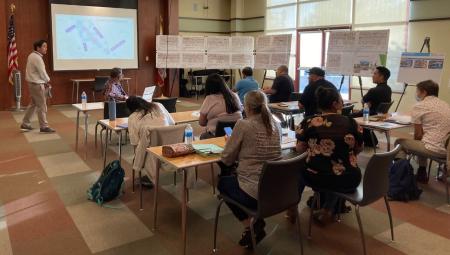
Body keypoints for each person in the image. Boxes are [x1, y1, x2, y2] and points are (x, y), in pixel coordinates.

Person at [218, 90, 282, 249]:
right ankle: (254, 225)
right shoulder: (275, 123)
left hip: (253, 189)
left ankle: (251, 225)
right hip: (277, 189)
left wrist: (233, 143)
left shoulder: (243, 124)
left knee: (223, 184)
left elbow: (226, 158)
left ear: (246, 106)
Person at [295, 87, 363, 225]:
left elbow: (300, 149)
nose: (342, 102)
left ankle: (292, 205)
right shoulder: (351, 123)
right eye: (340, 100)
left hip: (317, 177)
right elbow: (359, 148)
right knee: (337, 168)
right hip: (349, 178)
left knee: (299, 169)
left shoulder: (308, 122)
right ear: (335, 104)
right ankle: (328, 209)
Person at [395, 80, 450, 183]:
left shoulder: (420, 106)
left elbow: (418, 135)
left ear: (424, 92)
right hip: (447, 150)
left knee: (400, 143)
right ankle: (421, 172)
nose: (417, 93)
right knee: (422, 141)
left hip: (434, 149)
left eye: (417, 91)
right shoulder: (445, 105)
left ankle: (401, 176)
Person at [127, 96, 175, 187]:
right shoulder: (158, 105)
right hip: (170, 147)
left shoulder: (132, 117)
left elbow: (135, 143)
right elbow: (172, 123)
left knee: (142, 149)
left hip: (151, 152)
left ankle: (148, 176)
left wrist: (137, 160)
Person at [20, 40, 55, 133]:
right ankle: (44, 126)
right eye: (44, 46)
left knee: (33, 104)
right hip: (37, 84)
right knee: (42, 105)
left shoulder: (32, 55)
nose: (46, 48)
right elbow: (42, 72)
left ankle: (25, 123)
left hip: (33, 84)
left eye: (46, 46)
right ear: (38, 48)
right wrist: (48, 80)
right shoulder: (37, 58)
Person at [353, 66, 392, 146]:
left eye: (375, 74)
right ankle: (370, 141)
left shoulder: (373, 90)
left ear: (381, 77)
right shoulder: (388, 89)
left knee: (348, 117)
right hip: (380, 115)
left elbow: (363, 101)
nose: (372, 76)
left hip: (370, 115)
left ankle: (358, 142)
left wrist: (368, 103)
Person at [199, 73, 242, 138]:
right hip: (236, 133)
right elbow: (241, 110)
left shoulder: (209, 99)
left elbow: (202, 123)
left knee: (203, 136)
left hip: (216, 135)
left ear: (208, 87)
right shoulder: (234, 95)